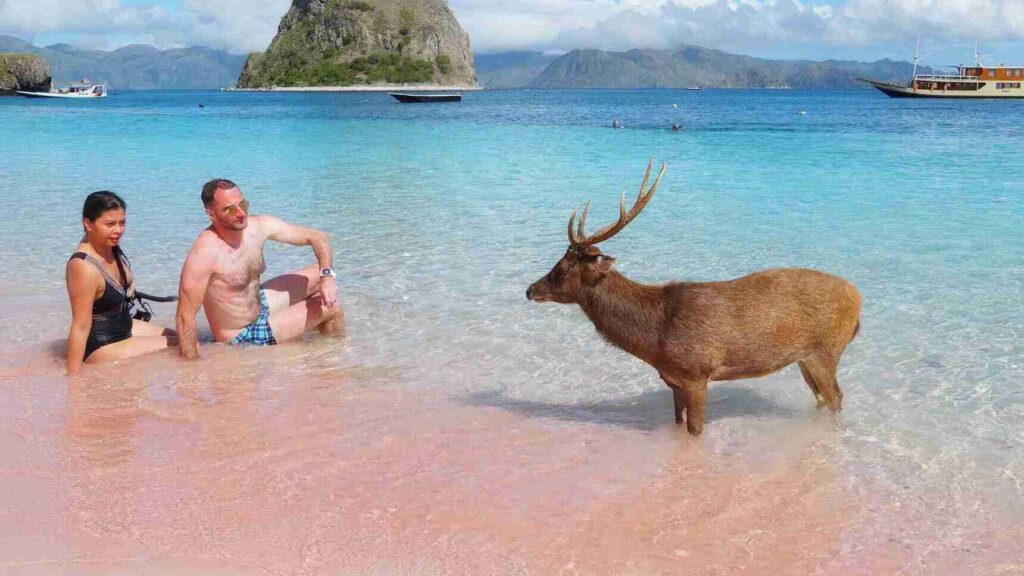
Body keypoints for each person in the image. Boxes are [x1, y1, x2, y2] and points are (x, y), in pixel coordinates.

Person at [175, 179, 344, 358]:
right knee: (332, 308)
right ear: (211, 214)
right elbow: (185, 318)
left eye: (243, 204)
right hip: (242, 335)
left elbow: (318, 237)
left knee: (318, 274)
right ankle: (335, 358)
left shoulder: (257, 226)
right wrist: (191, 373)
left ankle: (315, 345)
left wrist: (327, 277)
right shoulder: (204, 253)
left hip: (259, 306)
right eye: (230, 209)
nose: (241, 214)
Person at [65, 192, 177, 375]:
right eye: (110, 224)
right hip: (103, 343)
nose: (118, 230)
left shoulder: (108, 245)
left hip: (123, 325)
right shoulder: (83, 267)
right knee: (183, 346)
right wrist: (73, 380)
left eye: (122, 223)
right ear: (88, 224)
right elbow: (80, 326)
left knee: (181, 336)